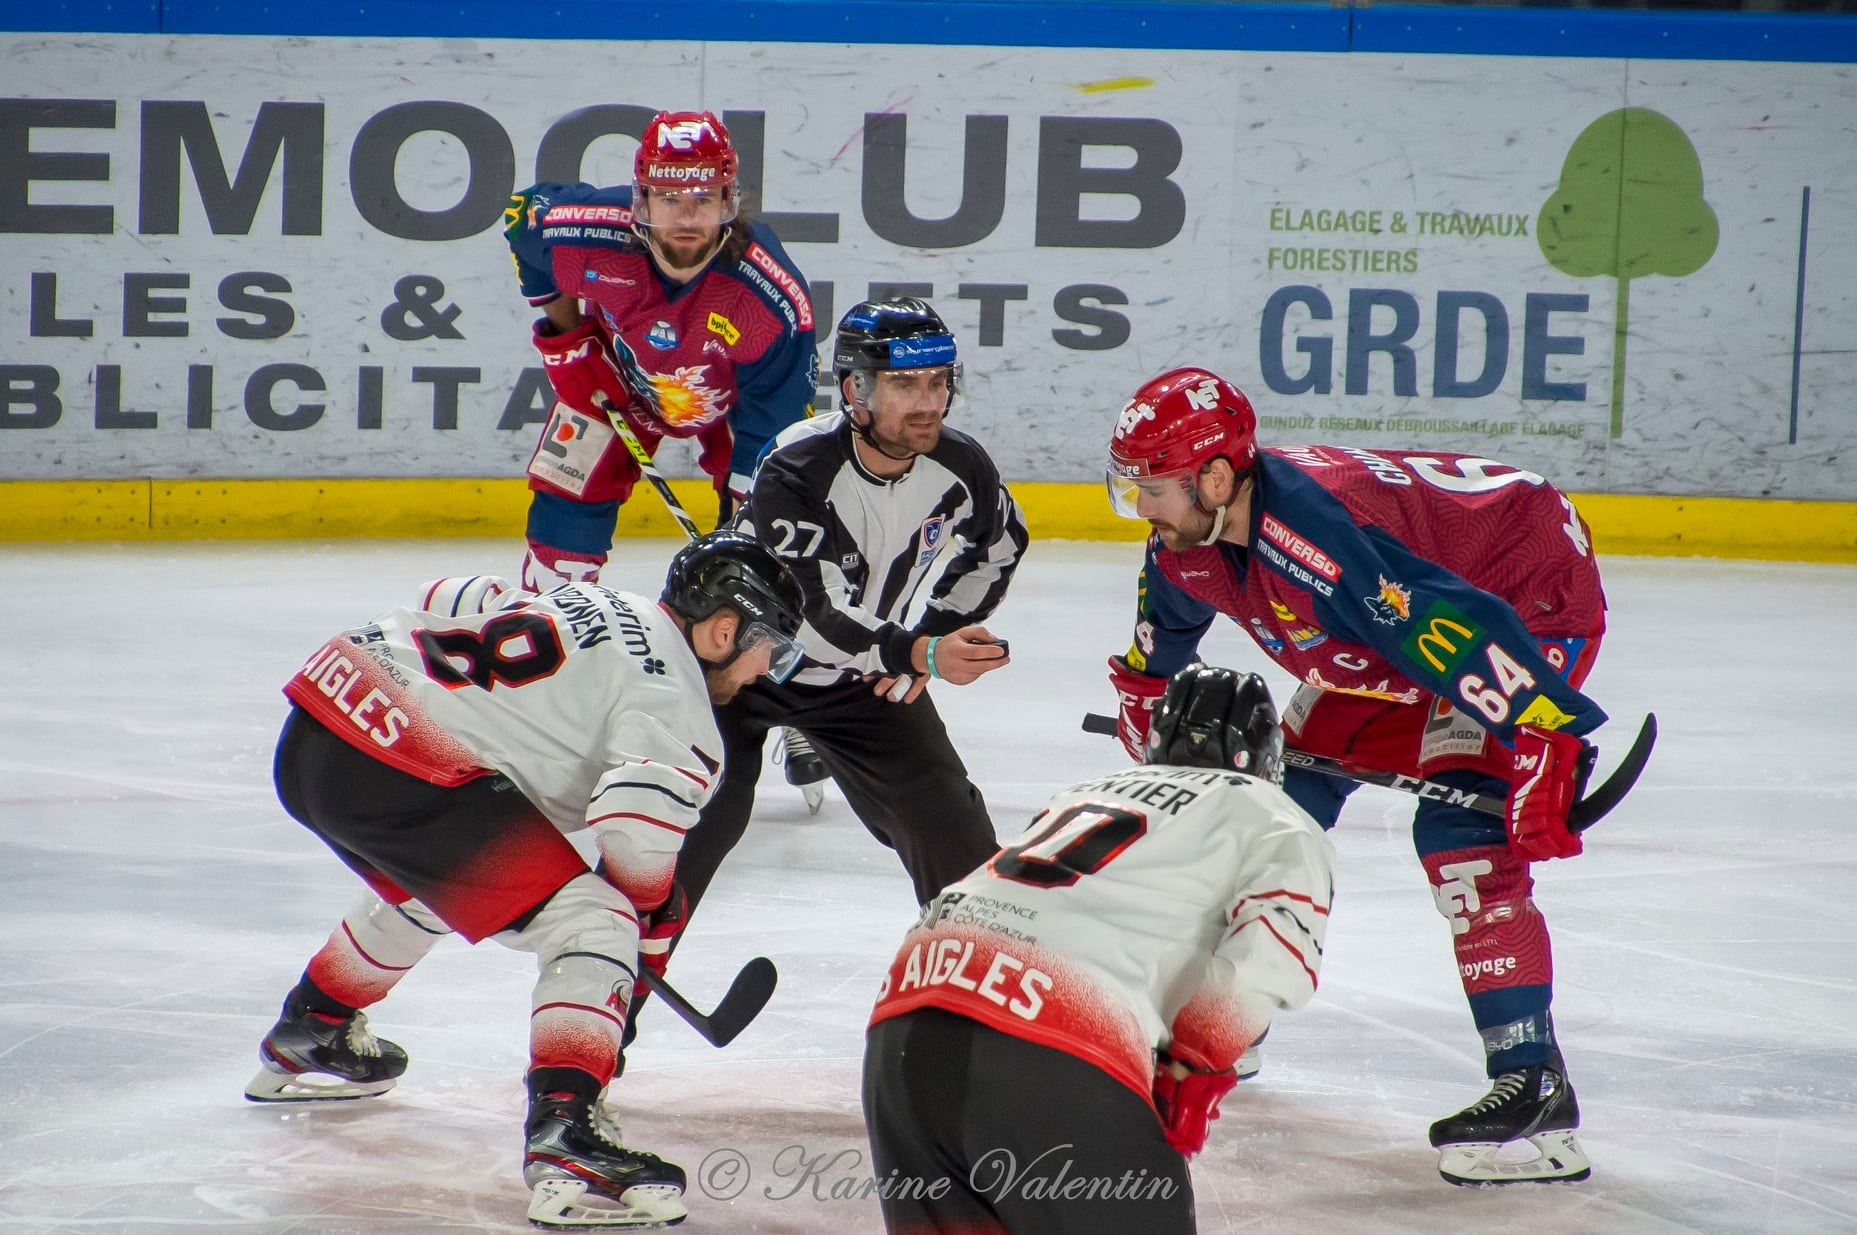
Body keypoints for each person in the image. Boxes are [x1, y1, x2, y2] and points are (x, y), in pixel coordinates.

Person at [1102, 365, 1611, 1185]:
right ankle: (1228, 1020)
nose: (1141, 511)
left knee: (1459, 829)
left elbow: (1442, 622)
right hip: (1390, 620)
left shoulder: (1314, 543)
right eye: (1130, 489)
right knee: (1266, 811)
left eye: (1152, 489)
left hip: (1516, 591)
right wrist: (1141, 693)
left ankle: (1534, 1087)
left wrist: (1542, 732)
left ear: (1217, 477)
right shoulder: (1189, 544)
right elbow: (1156, 644)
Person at [245, 532, 805, 1229]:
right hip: (396, 766)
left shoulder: (602, 597)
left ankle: (313, 1024)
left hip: (322, 716)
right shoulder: (678, 702)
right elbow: (634, 829)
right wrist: (651, 916)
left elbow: (451, 596)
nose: (764, 670)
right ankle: (566, 1136)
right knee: (597, 920)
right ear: (724, 628)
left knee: (437, 884)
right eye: (769, 647)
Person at [862, 666, 1334, 1235]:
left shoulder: (1083, 793)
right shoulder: (1277, 817)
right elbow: (1271, 956)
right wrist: (1195, 1061)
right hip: (1054, 1046)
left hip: (905, 1027)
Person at [670, 295, 1028, 924]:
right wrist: (917, 651)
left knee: (958, 839)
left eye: (939, 382)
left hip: (858, 678)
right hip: (738, 667)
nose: (928, 402)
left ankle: (981, 996)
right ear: (855, 389)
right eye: (904, 383)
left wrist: (929, 638)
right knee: (691, 830)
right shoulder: (798, 465)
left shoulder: (962, 466)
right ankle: (612, 973)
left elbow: (1000, 545)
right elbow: (814, 613)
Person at [503, 109, 817, 593]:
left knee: (757, 538)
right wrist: (573, 343)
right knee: (567, 499)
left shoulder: (769, 298)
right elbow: (522, 217)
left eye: (703, 198)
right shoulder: (586, 235)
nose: (686, 218)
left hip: (730, 403)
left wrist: (743, 539)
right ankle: (551, 620)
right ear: (641, 198)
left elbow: (770, 431)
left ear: (729, 200)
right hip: (619, 383)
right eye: (668, 198)